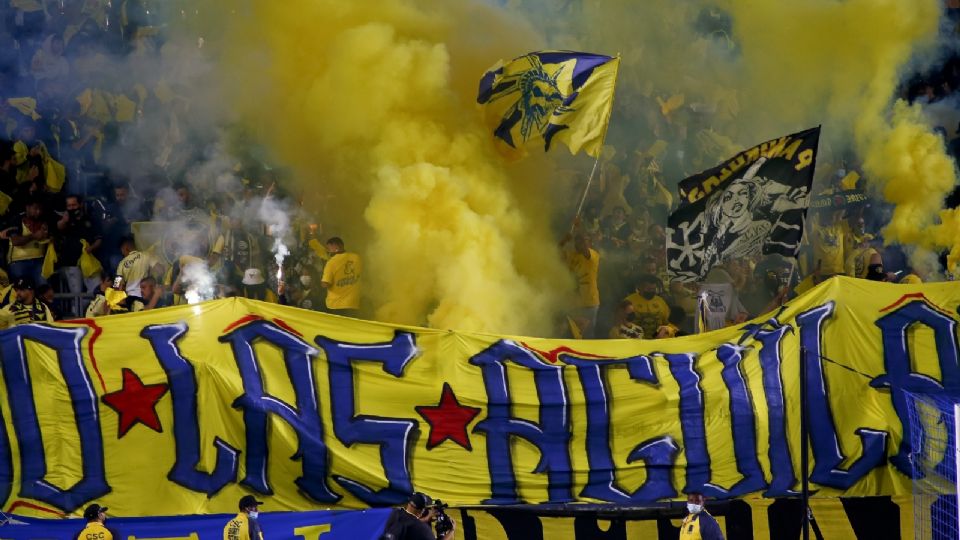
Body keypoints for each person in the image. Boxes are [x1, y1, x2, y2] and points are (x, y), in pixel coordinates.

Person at [57, 194, 103, 299]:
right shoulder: (65, 220)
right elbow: (58, 228)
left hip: (90, 262)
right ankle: (77, 313)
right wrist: (65, 220)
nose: (72, 208)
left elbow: (99, 239)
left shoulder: (91, 219)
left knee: (96, 292)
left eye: (74, 205)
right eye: (69, 206)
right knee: (76, 295)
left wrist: (91, 248)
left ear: (80, 204)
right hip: (71, 263)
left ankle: (92, 311)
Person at [560, 232, 600, 338]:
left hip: (589, 303)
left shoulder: (593, 255)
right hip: (573, 303)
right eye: (577, 240)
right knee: (573, 333)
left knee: (588, 335)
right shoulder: (571, 255)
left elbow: (585, 251)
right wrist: (564, 240)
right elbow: (555, 252)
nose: (580, 243)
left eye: (584, 240)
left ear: (589, 243)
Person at [380, 492, 454, 540]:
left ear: (409, 504)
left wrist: (426, 519)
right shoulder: (422, 529)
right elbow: (413, 524)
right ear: (421, 511)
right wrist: (452, 530)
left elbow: (407, 522)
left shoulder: (393, 514)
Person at [321, 236, 362, 318]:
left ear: (336, 246)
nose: (328, 251)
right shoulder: (356, 258)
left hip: (337, 305)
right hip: (354, 303)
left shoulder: (331, 263)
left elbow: (326, 284)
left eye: (329, 248)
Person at [623, 274, 670, 339]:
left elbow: (669, 323)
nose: (651, 291)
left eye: (653, 289)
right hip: (636, 341)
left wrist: (664, 330)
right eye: (648, 289)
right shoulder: (629, 301)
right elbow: (620, 323)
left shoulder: (660, 301)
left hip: (658, 340)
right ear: (639, 287)